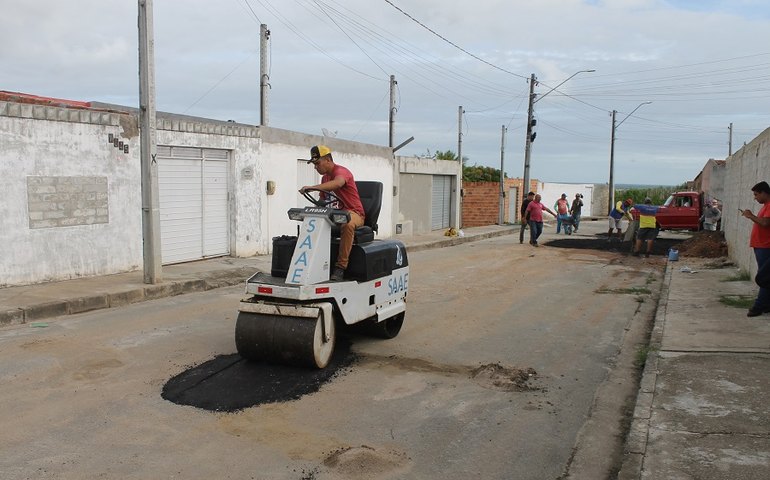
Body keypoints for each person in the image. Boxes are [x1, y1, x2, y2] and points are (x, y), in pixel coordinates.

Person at [299, 145, 365, 281]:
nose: (315, 167)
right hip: (334, 214)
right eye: (314, 164)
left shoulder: (341, 172)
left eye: (317, 163)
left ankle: (341, 267)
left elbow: (337, 183)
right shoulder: (325, 179)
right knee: (311, 220)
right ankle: (310, 263)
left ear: (328, 160)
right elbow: (322, 200)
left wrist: (312, 187)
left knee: (347, 223)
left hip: (354, 213)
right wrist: (313, 210)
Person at [741, 181, 770, 317]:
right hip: (761, 246)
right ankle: (766, 304)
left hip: (766, 247)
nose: (755, 197)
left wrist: (751, 216)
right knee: (765, 276)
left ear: (764, 193)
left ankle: (758, 306)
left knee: (764, 277)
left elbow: (765, 223)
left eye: (756, 194)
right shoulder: (765, 206)